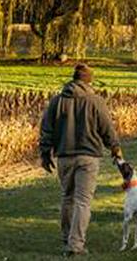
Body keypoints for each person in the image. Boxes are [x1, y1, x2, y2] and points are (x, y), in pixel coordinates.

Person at [39, 63, 124, 256]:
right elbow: (107, 129)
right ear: (89, 80)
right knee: (83, 201)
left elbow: (46, 130)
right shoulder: (95, 101)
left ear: (74, 79)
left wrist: (45, 154)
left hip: (64, 157)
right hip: (88, 157)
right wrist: (115, 148)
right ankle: (75, 245)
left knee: (67, 198)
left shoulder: (57, 101)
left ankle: (66, 237)